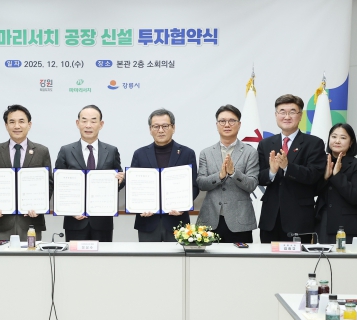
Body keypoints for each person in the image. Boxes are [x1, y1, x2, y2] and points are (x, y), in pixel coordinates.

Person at [257, 94, 326, 243]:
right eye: (282, 112)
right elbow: (259, 177)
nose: (287, 116)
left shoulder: (314, 143)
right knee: (267, 257)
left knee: (298, 258)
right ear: (276, 115)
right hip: (271, 219)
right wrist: (272, 172)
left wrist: (288, 167)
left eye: (292, 112)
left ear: (300, 115)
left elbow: (313, 175)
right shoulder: (265, 144)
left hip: (299, 218)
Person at [54, 105, 124, 242]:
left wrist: (120, 181)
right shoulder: (66, 151)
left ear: (101, 124)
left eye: (93, 121)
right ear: (77, 123)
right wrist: (70, 210)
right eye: (84, 120)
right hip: (75, 221)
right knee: (75, 256)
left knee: (103, 256)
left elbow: (118, 181)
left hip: (102, 221)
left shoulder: (111, 151)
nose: (88, 125)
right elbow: (58, 185)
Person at [0, 104, 52, 242]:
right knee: (2, 255)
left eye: (21, 121)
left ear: (29, 124)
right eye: (12, 122)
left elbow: (49, 183)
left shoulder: (42, 151)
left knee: (32, 255)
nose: (17, 126)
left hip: (31, 221)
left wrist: (41, 206)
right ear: (6, 125)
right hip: (2, 221)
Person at [131, 108, 199, 242]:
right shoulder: (139, 154)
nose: (160, 130)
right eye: (156, 126)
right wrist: (139, 206)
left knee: (177, 256)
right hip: (147, 222)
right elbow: (133, 187)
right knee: (148, 256)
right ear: (150, 129)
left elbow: (194, 186)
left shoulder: (187, 153)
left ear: (173, 128)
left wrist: (183, 206)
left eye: (165, 126)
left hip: (177, 221)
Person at [196, 105, 259, 243]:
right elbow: (201, 183)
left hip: (239, 221)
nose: (227, 125)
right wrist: (219, 176)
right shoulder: (206, 153)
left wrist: (234, 173)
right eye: (222, 121)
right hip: (210, 219)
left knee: (240, 257)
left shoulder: (250, 152)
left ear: (239, 124)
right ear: (217, 125)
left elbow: (252, 184)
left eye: (232, 121)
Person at [314, 123, 357, 245]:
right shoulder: (320, 162)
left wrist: (337, 176)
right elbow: (312, 191)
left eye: (343, 138)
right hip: (322, 221)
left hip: (345, 225)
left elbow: (356, 197)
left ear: (351, 142)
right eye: (334, 137)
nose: (337, 141)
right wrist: (325, 178)